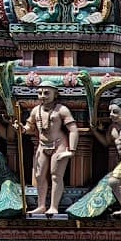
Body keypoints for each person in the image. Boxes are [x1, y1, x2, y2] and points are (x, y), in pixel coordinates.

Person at [24, 84, 79, 216]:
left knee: (56, 175)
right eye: (40, 93)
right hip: (42, 145)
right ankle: (41, 205)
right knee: (39, 175)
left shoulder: (61, 110)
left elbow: (73, 130)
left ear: (55, 94)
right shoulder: (36, 110)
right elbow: (29, 127)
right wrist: (21, 129)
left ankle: (54, 206)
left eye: (47, 93)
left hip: (59, 144)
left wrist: (71, 150)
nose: (42, 96)